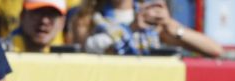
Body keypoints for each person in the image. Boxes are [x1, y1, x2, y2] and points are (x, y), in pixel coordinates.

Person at [74, 0, 222, 57]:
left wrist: (171, 27)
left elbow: (215, 49)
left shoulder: (150, 18)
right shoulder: (86, 18)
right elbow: (88, 50)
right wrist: (131, 29)